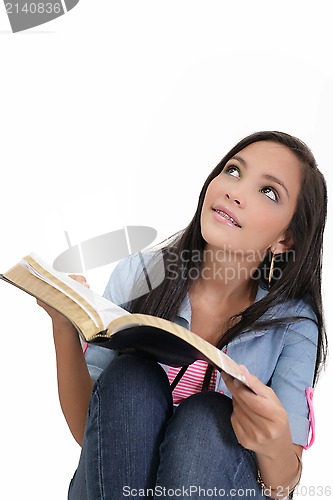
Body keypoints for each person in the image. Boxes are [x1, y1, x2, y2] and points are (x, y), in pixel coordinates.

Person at [39, 131, 327, 500]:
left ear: (285, 239)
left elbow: (281, 487)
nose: (234, 191)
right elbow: (92, 435)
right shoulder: (138, 277)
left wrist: (273, 443)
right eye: (234, 171)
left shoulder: (294, 325)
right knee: (131, 376)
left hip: (215, 477)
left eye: (268, 191)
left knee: (207, 419)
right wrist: (64, 326)